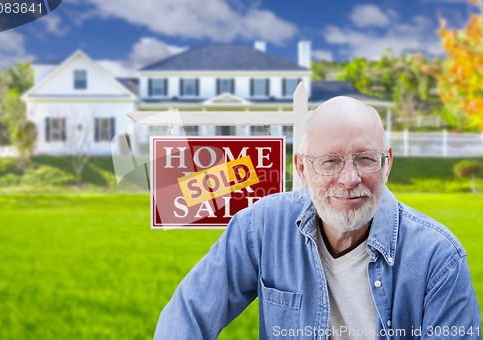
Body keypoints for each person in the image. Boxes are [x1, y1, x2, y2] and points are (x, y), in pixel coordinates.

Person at [154, 96, 481, 339]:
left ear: (388, 163)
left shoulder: (440, 259)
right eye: (330, 161)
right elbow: (188, 314)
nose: (350, 178)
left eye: (366, 159)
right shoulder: (261, 228)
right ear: (301, 168)